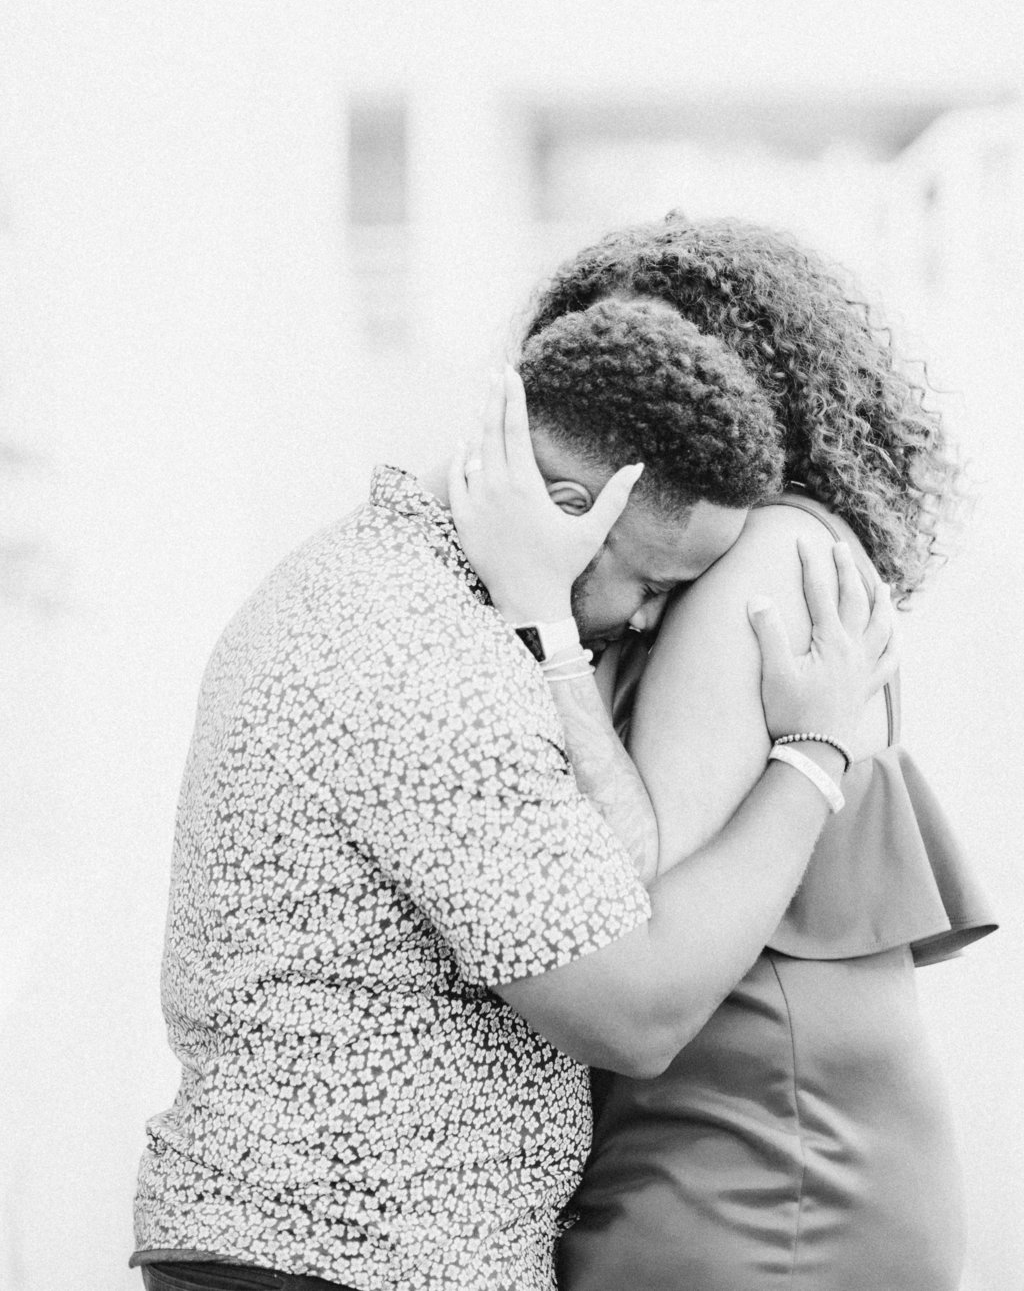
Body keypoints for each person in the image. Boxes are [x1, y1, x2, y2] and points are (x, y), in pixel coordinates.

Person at [131, 296, 896, 1291]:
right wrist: (814, 752)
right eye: (657, 582)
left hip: (311, 1248)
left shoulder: (389, 586)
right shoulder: (423, 655)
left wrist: (554, 627)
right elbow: (635, 1013)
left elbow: (606, 873)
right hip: (340, 1257)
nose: (660, 619)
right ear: (570, 512)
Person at [506, 216, 997, 1291]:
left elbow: (629, 871)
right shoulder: (743, 558)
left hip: (760, 1166)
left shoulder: (770, 558)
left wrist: (542, 622)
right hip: (740, 1137)